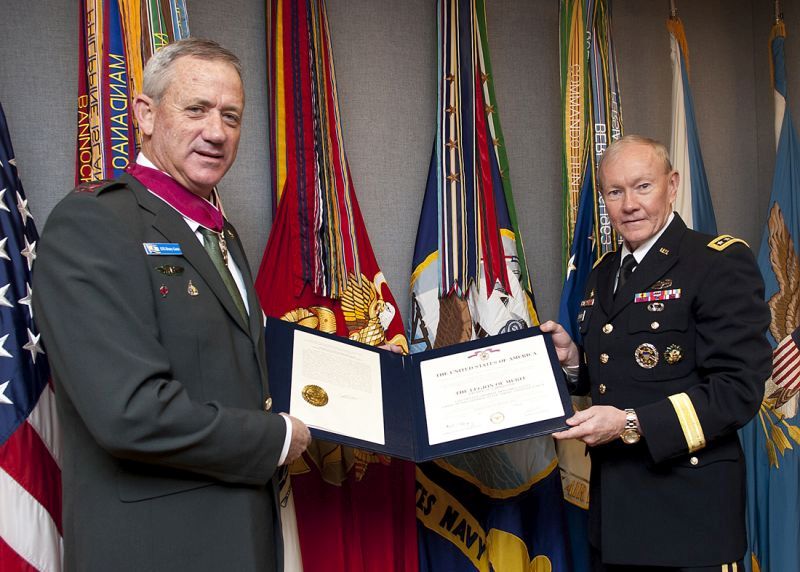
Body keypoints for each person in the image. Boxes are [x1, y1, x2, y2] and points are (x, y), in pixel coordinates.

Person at [32, 38, 310, 572]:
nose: (216, 132)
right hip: (154, 550)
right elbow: (129, 413)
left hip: (242, 542)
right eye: (197, 109)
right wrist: (276, 437)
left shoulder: (220, 234)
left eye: (231, 116)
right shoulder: (94, 224)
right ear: (145, 114)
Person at [541, 135, 772, 571]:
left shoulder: (715, 262)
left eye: (643, 186)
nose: (629, 204)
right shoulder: (603, 272)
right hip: (614, 517)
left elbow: (737, 390)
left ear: (673, 184)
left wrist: (631, 423)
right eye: (615, 191)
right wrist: (574, 362)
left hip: (688, 515)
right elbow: (624, 373)